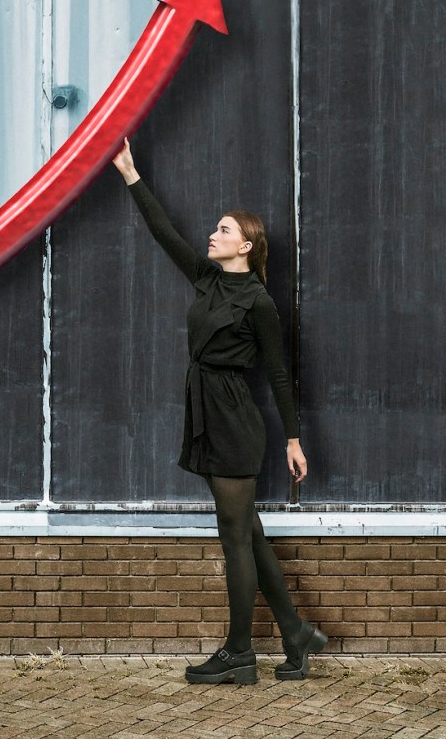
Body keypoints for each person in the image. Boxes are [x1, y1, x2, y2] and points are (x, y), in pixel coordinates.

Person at [111, 137, 327, 685]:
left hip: (233, 418)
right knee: (246, 530)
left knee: (234, 534)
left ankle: (238, 654)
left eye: (225, 230)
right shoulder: (207, 279)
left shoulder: (258, 303)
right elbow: (165, 232)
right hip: (205, 410)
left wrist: (294, 439)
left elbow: (279, 374)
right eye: (216, 227)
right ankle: (295, 633)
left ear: (247, 246)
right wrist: (131, 173)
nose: (213, 234)